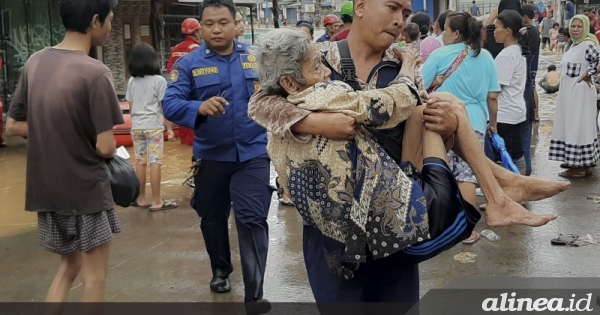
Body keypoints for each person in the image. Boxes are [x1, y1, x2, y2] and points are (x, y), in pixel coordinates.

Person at [248, 0, 566, 304]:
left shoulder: (403, 64)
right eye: (392, 7)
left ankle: (499, 184)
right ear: (360, 6)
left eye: (406, 11)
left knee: (443, 108)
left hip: (392, 213)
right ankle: (500, 184)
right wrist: (312, 121)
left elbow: (424, 116)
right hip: (334, 226)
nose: (401, 19)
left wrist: (442, 121)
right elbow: (262, 101)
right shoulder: (321, 58)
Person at [6, 0, 123, 304]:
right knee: (95, 279)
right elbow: (106, 146)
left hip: (46, 190)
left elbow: (13, 126)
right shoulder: (96, 72)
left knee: (68, 268)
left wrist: (55, 130)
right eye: (110, 19)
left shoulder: (34, 62)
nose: (110, 27)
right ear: (95, 21)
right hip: (85, 191)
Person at [162, 0, 272, 312]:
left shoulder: (255, 58)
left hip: (253, 153)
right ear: (201, 27)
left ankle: (255, 293)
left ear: (235, 23)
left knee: (252, 218)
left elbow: (279, 93)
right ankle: (221, 270)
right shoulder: (189, 64)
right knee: (212, 218)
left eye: (223, 22)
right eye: (209, 23)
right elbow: (170, 104)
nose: (216, 28)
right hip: (211, 156)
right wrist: (198, 107)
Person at [421, 11, 501, 243]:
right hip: (473, 122)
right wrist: (492, 123)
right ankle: (465, 232)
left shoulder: (438, 55)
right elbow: (492, 96)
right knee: (467, 176)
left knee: (438, 172)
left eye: (445, 28)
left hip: (439, 120)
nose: (442, 33)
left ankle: (438, 227)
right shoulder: (485, 56)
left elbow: (418, 86)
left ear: (456, 33)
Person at [126, 43, 178, 211]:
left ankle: (141, 199)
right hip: (153, 127)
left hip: (137, 127)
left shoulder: (132, 81)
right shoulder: (159, 81)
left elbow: (131, 106)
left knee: (140, 163)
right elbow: (165, 107)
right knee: (155, 162)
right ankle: (156, 201)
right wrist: (169, 129)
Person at [549, 15, 600, 178]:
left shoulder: (588, 45)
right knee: (577, 126)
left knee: (578, 127)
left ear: (585, 28)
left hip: (580, 95)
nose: (575, 29)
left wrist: (588, 75)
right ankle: (584, 163)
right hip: (569, 95)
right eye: (573, 26)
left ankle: (578, 167)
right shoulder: (572, 46)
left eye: (579, 26)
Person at [493, 10, 529, 175]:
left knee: (502, 155)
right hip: (516, 110)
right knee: (516, 153)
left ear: (507, 31)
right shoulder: (518, 50)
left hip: (504, 113)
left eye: (496, 27)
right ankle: (522, 187)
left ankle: (507, 191)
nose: (494, 31)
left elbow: (495, 90)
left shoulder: (506, 55)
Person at [166, 18, 202, 146]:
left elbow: (170, 67)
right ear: (196, 32)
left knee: (183, 125)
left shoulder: (176, 48)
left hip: (180, 90)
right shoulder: (197, 49)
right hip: (194, 91)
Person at [521, 4, 541, 175]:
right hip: (532, 68)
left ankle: (534, 113)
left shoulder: (528, 30)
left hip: (529, 68)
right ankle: (535, 113)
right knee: (533, 89)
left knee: (531, 89)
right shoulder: (534, 30)